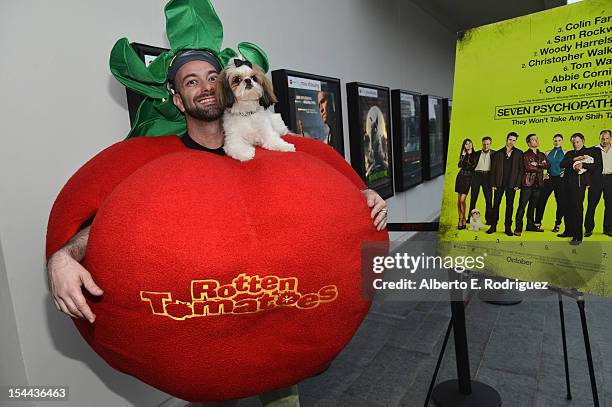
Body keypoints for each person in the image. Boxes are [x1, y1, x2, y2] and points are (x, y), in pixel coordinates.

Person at [46, 50, 389, 407]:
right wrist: (62, 257)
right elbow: (106, 226)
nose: (205, 87)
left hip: (281, 328)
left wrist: (364, 197)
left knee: (284, 398)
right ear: (178, 100)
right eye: (190, 81)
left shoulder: (274, 152)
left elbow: (330, 194)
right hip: (206, 340)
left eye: (212, 77)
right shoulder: (155, 164)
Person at [559, 132, 593, 245]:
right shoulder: (569, 153)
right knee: (566, 208)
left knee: (577, 209)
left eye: (577, 142)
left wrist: (582, 165)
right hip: (566, 184)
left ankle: (577, 236)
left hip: (579, 184)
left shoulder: (588, 152)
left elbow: (594, 166)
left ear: (583, 141)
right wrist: (574, 159)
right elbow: (562, 164)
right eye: (573, 142)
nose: (575, 144)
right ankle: (568, 231)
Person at [487, 132, 523, 236]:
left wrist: (518, 184)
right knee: (496, 205)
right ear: (506, 139)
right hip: (499, 184)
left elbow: (521, 170)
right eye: (510, 139)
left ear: (516, 141)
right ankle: (493, 226)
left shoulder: (519, 153)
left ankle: (508, 227)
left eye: (514, 140)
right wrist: (493, 183)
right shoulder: (497, 154)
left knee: (509, 206)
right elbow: (492, 170)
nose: (511, 142)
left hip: (512, 184)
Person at [514, 134, 548, 235]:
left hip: (538, 185)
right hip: (527, 184)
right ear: (529, 143)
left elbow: (548, 165)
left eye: (537, 139)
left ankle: (530, 226)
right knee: (522, 206)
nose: (536, 141)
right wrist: (541, 166)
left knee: (532, 207)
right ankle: (518, 228)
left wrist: (538, 164)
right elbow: (529, 168)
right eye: (533, 140)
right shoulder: (525, 155)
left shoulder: (541, 154)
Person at [535, 134, 566, 233]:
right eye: (555, 140)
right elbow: (542, 165)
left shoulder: (566, 153)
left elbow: (569, 165)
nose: (557, 142)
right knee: (541, 200)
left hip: (560, 180)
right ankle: (537, 223)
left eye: (559, 140)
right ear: (553, 141)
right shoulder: (547, 153)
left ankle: (557, 224)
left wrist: (564, 172)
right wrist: (544, 174)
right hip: (549, 179)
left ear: (562, 141)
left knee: (560, 202)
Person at [585, 129, 612, 237]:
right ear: (599, 138)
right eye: (602, 138)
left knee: (610, 205)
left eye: (607, 138)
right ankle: (588, 229)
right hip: (596, 180)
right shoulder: (592, 150)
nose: (604, 141)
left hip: (610, 179)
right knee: (591, 205)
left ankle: (608, 228)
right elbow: (584, 163)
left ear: (610, 138)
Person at [468, 136, 493, 225]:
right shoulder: (476, 153)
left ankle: (489, 219)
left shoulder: (494, 154)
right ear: (482, 144)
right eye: (484, 144)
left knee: (489, 200)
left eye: (487, 144)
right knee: (473, 198)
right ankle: (469, 218)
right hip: (476, 176)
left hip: (488, 177)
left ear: (490, 144)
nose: (486, 146)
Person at [455, 138, 477, 229]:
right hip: (460, 176)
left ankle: (463, 218)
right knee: (459, 199)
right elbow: (459, 165)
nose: (468, 145)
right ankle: (461, 219)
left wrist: (466, 158)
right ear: (464, 146)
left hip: (468, 178)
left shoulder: (475, 155)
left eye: (469, 143)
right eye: (466, 144)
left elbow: (472, 166)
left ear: (472, 144)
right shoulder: (463, 154)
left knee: (462, 200)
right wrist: (462, 156)